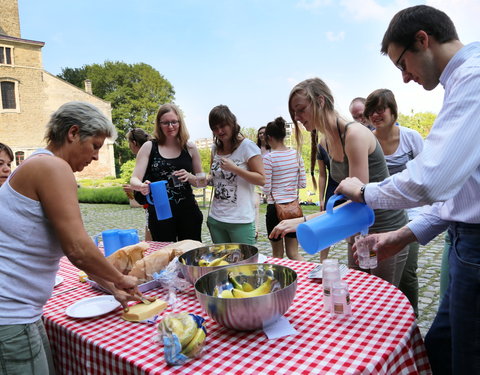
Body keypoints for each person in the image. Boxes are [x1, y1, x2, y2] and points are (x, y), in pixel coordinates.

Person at [335, 5, 480, 374]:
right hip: (466, 242)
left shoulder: (473, 79)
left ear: (423, 40)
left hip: (475, 247)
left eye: (402, 63)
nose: (404, 77)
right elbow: (462, 194)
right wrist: (402, 235)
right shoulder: (463, 80)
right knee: (438, 350)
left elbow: (431, 181)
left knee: (465, 360)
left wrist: (364, 192)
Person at [0, 102, 141, 374]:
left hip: (20, 312)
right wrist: (120, 278)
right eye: (96, 145)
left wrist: (111, 287)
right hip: (10, 314)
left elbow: (69, 247)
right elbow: (78, 248)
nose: (97, 157)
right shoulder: (54, 167)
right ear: (73, 133)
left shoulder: (37, 164)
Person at [270, 78, 408, 287]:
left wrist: (302, 220)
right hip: (356, 230)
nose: (297, 118)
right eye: (294, 113)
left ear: (321, 101)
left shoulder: (354, 135)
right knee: (359, 296)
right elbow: (344, 200)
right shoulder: (325, 140)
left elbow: (358, 203)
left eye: (300, 109)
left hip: (384, 229)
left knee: (381, 296)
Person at [364, 88, 424, 316]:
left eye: (380, 110)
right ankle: (386, 318)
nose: (375, 115)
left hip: (411, 216)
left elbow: (426, 175)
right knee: (379, 273)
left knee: (408, 271)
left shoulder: (411, 137)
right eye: (371, 111)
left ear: (393, 110)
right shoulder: (366, 139)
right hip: (378, 217)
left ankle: (410, 318)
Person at [130, 103, 203, 242]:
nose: (170, 126)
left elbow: (202, 182)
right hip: (160, 214)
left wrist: (190, 176)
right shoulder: (149, 147)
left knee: (189, 257)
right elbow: (134, 179)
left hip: (188, 213)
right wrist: (141, 186)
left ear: (180, 122)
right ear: (159, 124)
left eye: (174, 122)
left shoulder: (190, 147)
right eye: (165, 123)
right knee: (164, 257)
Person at [207, 104, 265, 244]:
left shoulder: (247, 146)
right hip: (216, 218)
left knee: (244, 265)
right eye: (215, 128)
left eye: (222, 126)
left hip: (240, 220)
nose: (219, 131)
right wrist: (197, 178)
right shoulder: (215, 148)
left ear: (232, 123)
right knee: (221, 264)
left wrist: (235, 169)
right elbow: (214, 179)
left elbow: (262, 179)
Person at [263, 117, 306, 260]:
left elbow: (267, 188)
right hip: (294, 209)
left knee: (277, 254)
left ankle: (280, 281)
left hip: (275, 210)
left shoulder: (268, 158)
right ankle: (308, 276)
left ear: (269, 137)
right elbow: (302, 184)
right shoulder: (296, 154)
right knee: (293, 253)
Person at [122, 128, 152, 240]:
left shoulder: (145, 158)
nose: (129, 146)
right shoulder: (151, 154)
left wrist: (134, 189)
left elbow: (148, 186)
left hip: (155, 211)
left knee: (150, 242)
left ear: (134, 143)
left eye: (129, 143)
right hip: (151, 208)